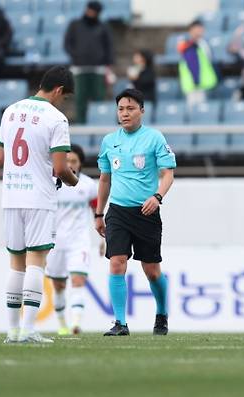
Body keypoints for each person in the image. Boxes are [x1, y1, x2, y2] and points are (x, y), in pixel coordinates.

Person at [0, 66, 79, 344]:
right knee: (36, 262)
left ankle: (12, 331)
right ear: (58, 90)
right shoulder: (56, 118)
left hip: (11, 195)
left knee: (15, 263)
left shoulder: (11, 110)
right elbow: (59, 167)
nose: (63, 102)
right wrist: (73, 180)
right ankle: (29, 329)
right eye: (64, 97)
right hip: (39, 198)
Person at [95, 89, 176, 336]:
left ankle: (161, 312)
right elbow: (105, 179)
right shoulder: (109, 141)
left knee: (151, 271)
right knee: (117, 263)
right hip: (117, 211)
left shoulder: (154, 138)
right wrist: (99, 213)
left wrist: (157, 197)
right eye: (121, 109)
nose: (125, 113)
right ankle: (120, 322)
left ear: (142, 110)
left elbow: (167, 174)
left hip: (146, 211)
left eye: (130, 108)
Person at [45, 145, 99, 336]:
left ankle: (76, 324)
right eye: (66, 161)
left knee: (78, 280)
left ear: (80, 163)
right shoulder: (50, 183)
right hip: (55, 242)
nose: (70, 165)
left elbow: (97, 212)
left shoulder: (89, 185)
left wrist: (104, 238)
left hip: (79, 241)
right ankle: (62, 324)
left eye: (74, 161)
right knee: (59, 286)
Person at [64, 1, 114, 123]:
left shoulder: (103, 26)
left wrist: (108, 64)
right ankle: (81, 123)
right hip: (79, 69)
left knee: (98, 98)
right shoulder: (75, 25)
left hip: (98, 70)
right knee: (80, 98)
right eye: (89, 10)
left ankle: (99, 122)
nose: (91, 13)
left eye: (94, 11)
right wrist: (75, 56)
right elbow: (67, 43)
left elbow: (109, 46)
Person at [177, 20, 217, 107]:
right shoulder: (187, 45)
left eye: (201, 29)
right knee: (193, 109)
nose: (199, 31)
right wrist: (196, 80)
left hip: (203, 83)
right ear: (191, 30)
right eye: (197, 29)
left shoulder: (204, 44)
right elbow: (192, 65)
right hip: (193, 83)